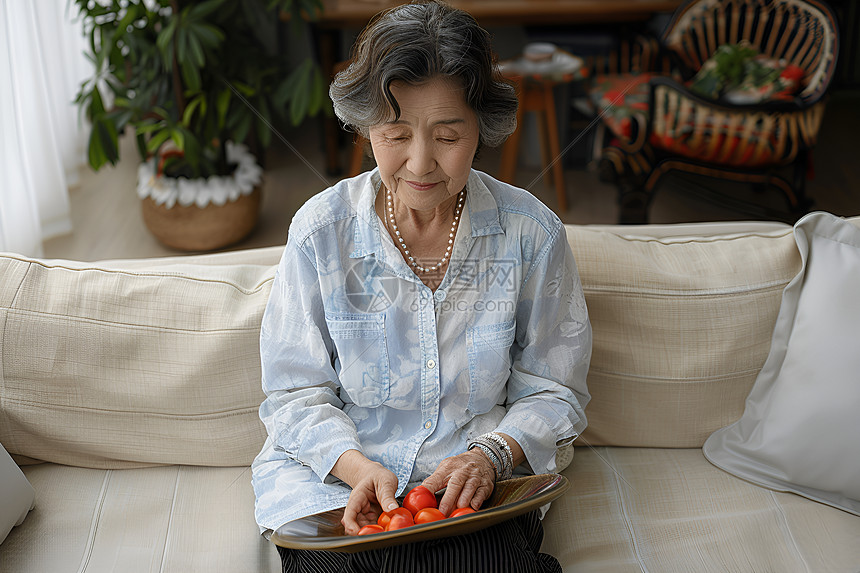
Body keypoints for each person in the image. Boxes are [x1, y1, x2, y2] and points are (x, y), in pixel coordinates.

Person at [252, 2, 591, 571]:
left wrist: (491, 456)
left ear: (481, 127)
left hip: (469, 489)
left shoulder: (531, 233)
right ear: (365, 127)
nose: (421, 161)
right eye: (396, 132)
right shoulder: (321, 232)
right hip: (336, 482)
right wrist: (357, 468)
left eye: (448, 135)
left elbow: (556, 390)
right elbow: (293, 392)